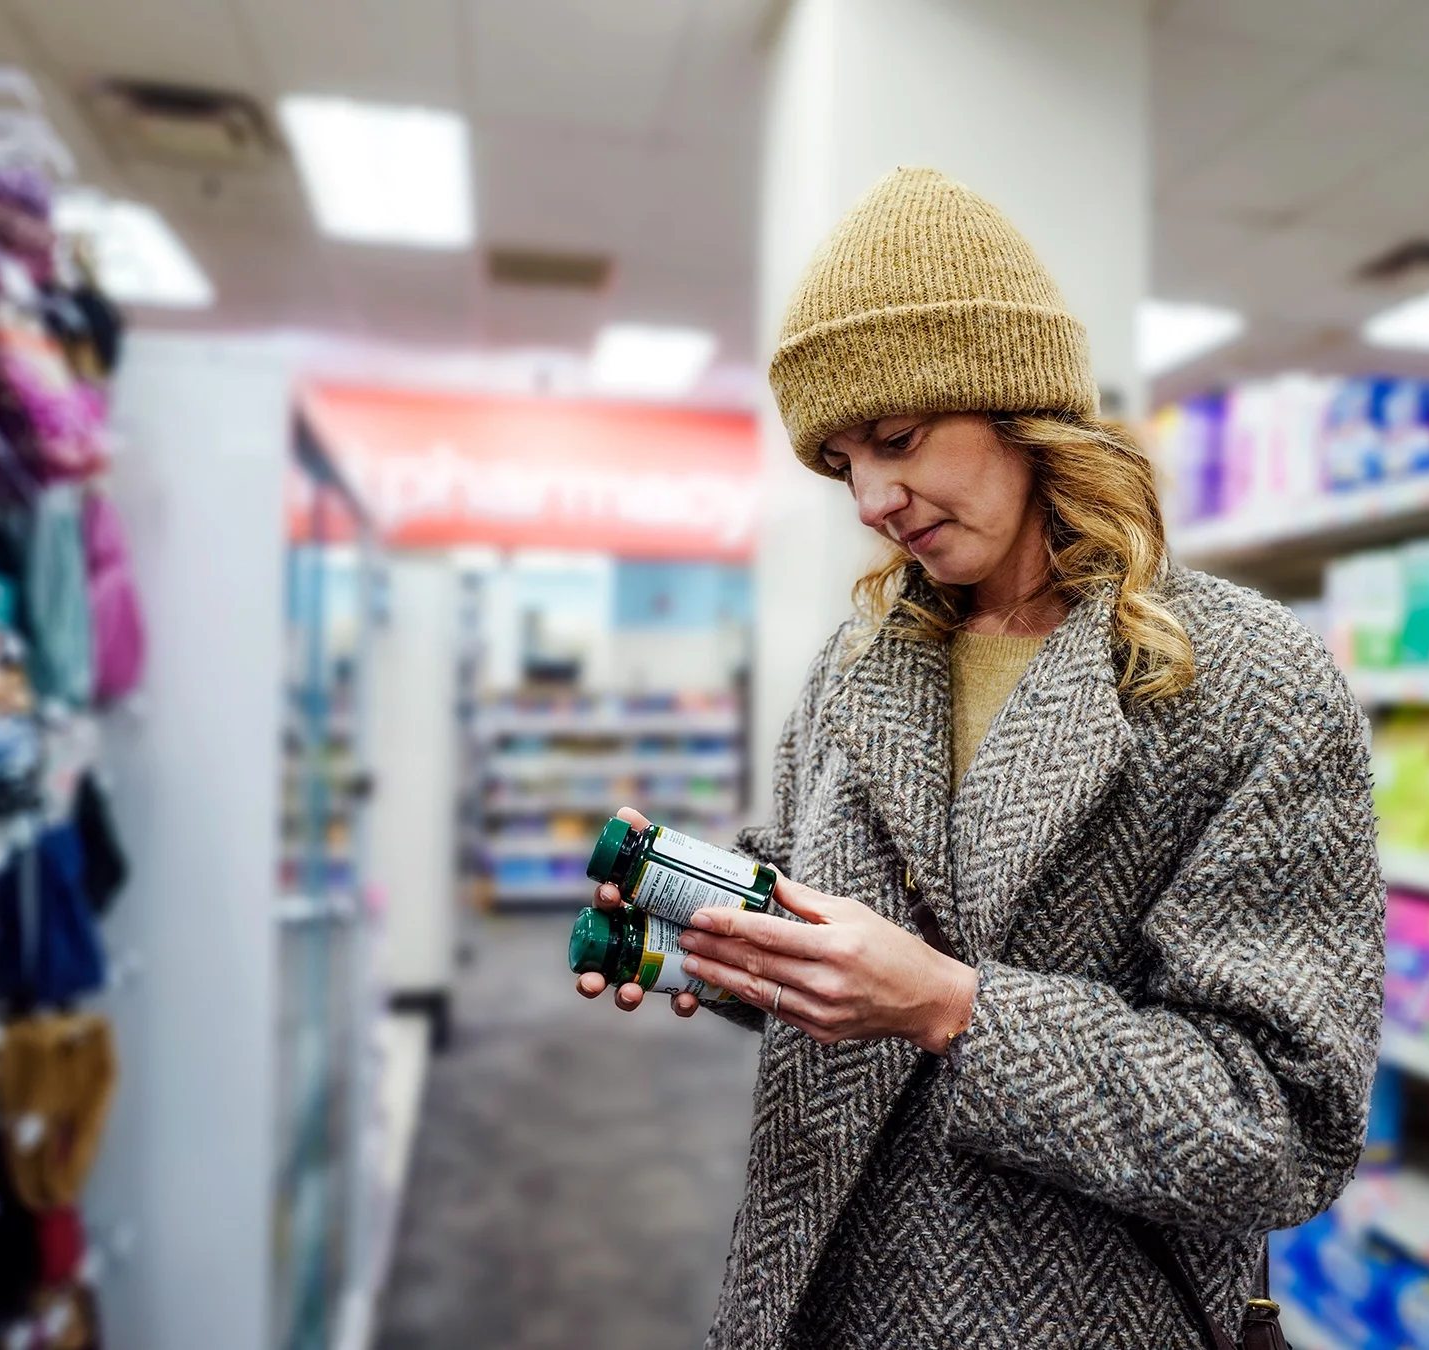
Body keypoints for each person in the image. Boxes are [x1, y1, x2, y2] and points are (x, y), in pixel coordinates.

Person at [575, 167, 1384, 1350]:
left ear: (1020, 407)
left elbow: (1283, 1125)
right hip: (820, 1294)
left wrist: (955, 1008)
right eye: (840, 459)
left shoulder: (1249, 678)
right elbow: (839, 935)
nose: (870, 497)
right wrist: (733, 944)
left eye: (896, 439)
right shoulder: (860, 662)